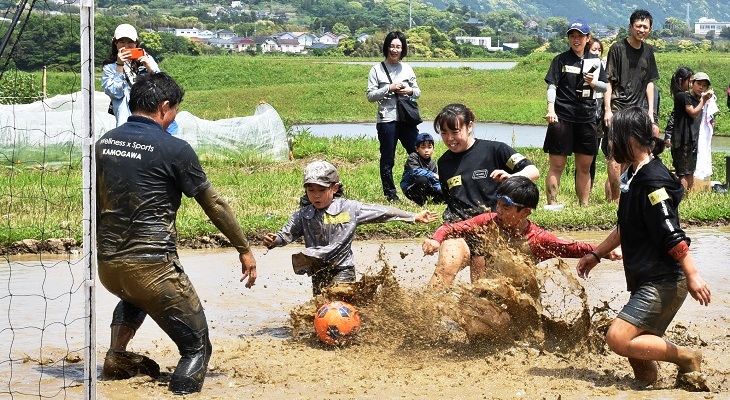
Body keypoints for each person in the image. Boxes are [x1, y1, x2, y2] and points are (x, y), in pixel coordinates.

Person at [95, 72, 257, 395]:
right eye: (174, 113)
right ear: (164, 107)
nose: (173, 120)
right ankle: (182, 391)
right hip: (153, 268)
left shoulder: (103, 144)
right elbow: (215, 205)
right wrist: (243, 248)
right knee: (197, 348)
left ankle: (116, 357)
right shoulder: (175, 149)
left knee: (134, 295)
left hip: (108, 268)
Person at [576, 107, 711, 390]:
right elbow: (626, 226)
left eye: (615, 138)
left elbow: (670, 233)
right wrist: (596, 254)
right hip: (648, 277)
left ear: (633, 139)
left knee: (619, 338)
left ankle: (687, 356)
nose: (610, 145)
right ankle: (648, 386)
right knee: (638, 352)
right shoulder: (635, 175)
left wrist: (693, 275)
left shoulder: (652, 181)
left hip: (664, 280)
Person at [263, 160, 437, 296]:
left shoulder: (349, 209)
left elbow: (383, 212)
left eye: (321, 190)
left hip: (342, 269)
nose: (316, 195)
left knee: (339, 309)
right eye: (311, 190)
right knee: (320, 309)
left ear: (335, 187)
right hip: (317, 270)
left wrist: (413, 217)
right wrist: (274, 240)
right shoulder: (303, 215)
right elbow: (286, 234)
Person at [427, 103, 540, 288]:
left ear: (469, 126)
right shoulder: (444, 162)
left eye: (455, 132)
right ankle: (424, 314)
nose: (449, 139)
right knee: (445, 270)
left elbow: (533, 170)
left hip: (491, 230)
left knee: (483, 290)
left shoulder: (496, 150)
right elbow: (451, 198)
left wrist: (512, 177)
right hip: (459, 228)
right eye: (444, 133)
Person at [422, 176, 621, 273]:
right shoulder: (488, 222)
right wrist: (435, 239)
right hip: (491, 295)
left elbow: (572, 248)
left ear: (525, 212)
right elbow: (451, 228)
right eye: (497, 205)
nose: (498, 211)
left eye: (505, 208)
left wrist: (605, 251)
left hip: (522, 304)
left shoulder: (538, 240)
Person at [543, 19, 608, 207]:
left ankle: (584, 206)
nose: (576, 39)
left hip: (587, 117)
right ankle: (552, 205)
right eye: (572, 36)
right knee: (557, 165)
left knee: (585, 167)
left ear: (588, 38)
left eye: (580, 36)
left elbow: (604, 88)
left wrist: (594, 83)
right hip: (562, 117)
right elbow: (552, 86)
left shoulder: (595, 62)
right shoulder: (560, 60)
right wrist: (550, 109)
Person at [603, 9, 660, 202]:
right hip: (619, 107)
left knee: (631, 154)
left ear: (650, 29)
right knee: (615, 154)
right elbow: (609, 82)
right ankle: (615, 199)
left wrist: (650, 113)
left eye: (645, 26)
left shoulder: (649, 51)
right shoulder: (617, 49)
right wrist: (607, 110)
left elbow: (650, 83)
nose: (641, 29)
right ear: (630, 27)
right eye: (638, 26)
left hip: (638, 110)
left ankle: (622, 196)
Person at [366, 31, 421, 203]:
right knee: (388, 157)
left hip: (406, 119)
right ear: (386, 47)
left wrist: (409, 90)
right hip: (386, 120)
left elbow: (418, 92)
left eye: (398, 46)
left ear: (403, 49)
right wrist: (389, 88)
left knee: (417, 152)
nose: (395, 50)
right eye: (392, 46)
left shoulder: (407, 68)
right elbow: (370, 96)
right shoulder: (376, 70)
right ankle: (390, 194)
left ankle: (418, 188)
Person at [102, 24, 160, 127]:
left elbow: (162, 87)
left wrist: (150, 68)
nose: (126, 46)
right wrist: (119, 66)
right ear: (115, 43)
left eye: (130, 42)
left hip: (148, 117)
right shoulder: (109, 67)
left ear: (136, 43)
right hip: (124, 120)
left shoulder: (147, 59)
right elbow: (115, 93)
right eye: (122, 42)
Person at [665, 69, 714, 191]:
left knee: (690, 172)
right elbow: (692, 113)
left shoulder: (698, 99)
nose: (701, 88)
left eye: (704, 86)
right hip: (682, 140)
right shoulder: (683, 96)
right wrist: (668, 135)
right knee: (683, 173)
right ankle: (680, 198)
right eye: (698, 84)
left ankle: (687, 198)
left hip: (692, 140)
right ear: (691, 83)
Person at [399, 132, 444, 206]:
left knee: (444, 193)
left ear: (433, 148)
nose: (426, 150)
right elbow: (415, 171)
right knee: (423, 179)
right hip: (411, 188)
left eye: (429, 147)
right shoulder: (413, 157)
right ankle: (420, 202)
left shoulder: (432, 163)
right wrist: (432, 174)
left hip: (427, 187)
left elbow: (435, 181)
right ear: (417, 148)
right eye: (423, 147)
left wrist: (440, 190)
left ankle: (434, 202)